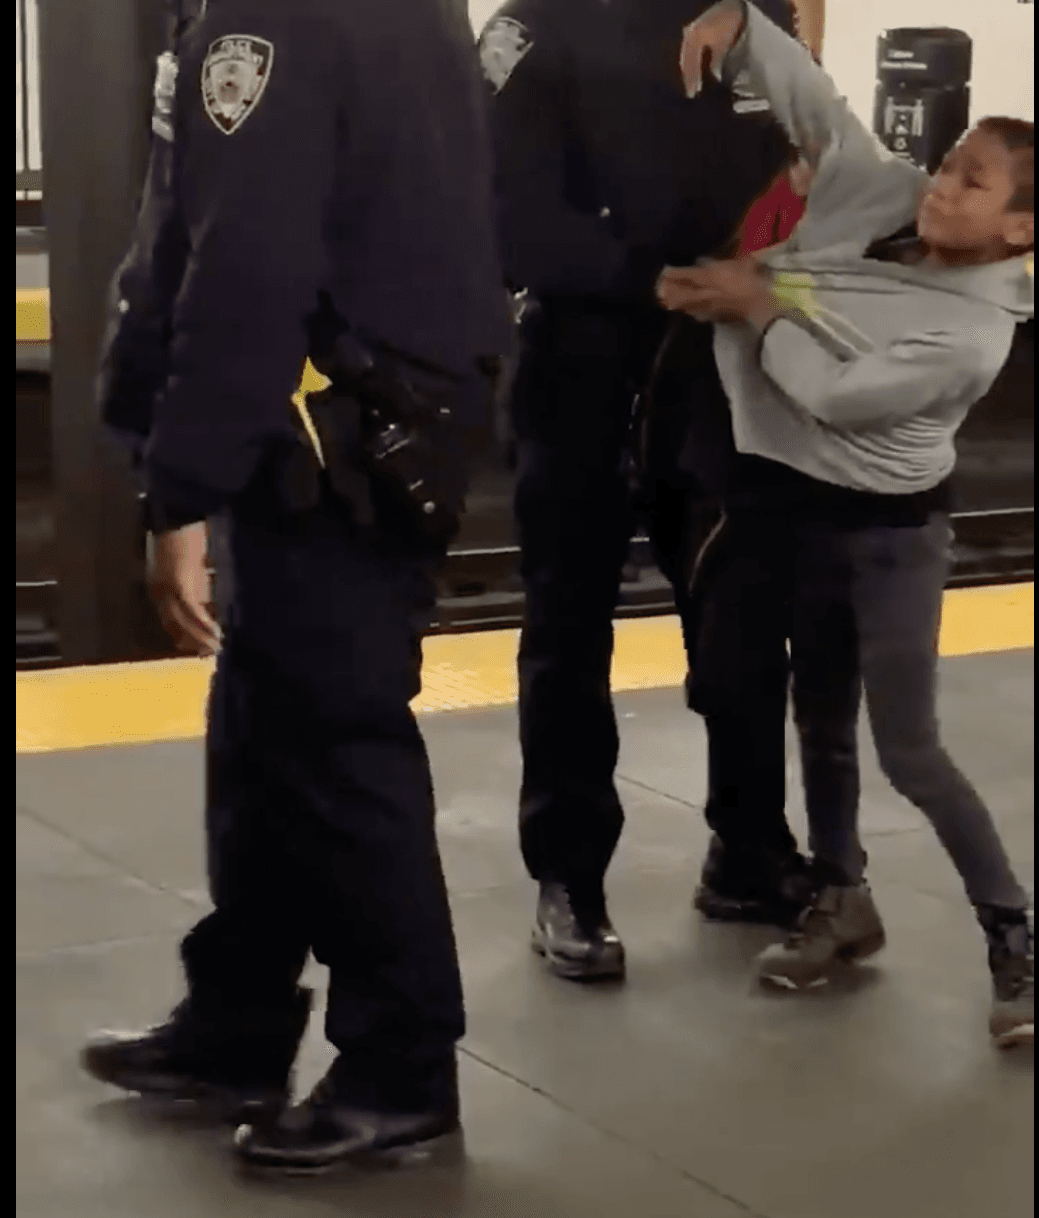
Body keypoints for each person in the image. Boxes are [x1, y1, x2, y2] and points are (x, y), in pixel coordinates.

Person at [80, 0, 513, 1174]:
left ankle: (400, 1072)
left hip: (332, 437)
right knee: (266, 737)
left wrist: (176, 485)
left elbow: (245, 264)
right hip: (355, 414)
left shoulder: (268, 23)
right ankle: (236, 1022)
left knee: (333, 748)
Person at [659, 0, 1034, 1045]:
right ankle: (844, 901)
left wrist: (759, 302)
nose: (940, 182)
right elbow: (822, 116)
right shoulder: (887, 207)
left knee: (907, 747)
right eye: (951, 161)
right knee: (817, 722)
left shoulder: (967, 336)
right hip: (798, 515)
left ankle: (1014, 937)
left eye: (972, 179)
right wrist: (741, 25)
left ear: (1020, 230)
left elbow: (836, 393)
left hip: (886, 539)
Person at [479, 0, 818, 984]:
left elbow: (789, 173)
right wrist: (669, 275)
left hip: (721, 372)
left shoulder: (753, 17)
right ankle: (569, 879)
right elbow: (512, 222)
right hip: (581, 370)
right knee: (568, 629)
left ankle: (749, 848)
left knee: (745, 616)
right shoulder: (529, 30)